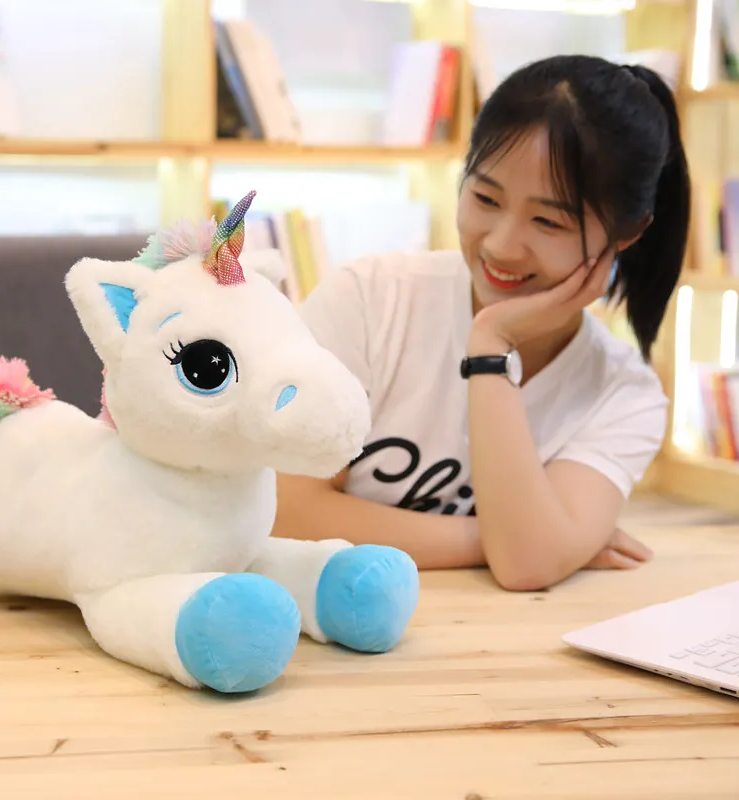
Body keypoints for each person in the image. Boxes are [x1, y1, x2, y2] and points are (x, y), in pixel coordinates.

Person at [273, 54, 691, 591]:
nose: (501, 244)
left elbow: (525, 568)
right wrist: (507, 538)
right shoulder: (368, 300)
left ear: (627, 232)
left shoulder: (624, 394)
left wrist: (491, 347)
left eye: (548, 221)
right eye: (486, 198)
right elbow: (284, 512)